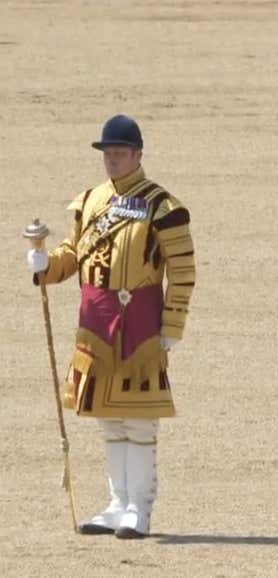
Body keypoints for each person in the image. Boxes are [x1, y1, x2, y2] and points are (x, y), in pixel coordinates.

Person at [25, 115, 195, 538]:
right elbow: (73, 254)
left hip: (139, 324)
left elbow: (183, 270)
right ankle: (118, 503)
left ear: (138, 154)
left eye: (121, 153)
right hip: (96, 323)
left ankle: (140, 505)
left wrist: (172, 322)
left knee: (138, 421)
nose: (113, 161)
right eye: (109, 154)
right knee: (107, 419)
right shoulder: (88, 202)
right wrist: (46, 267)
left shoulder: (162, 206)